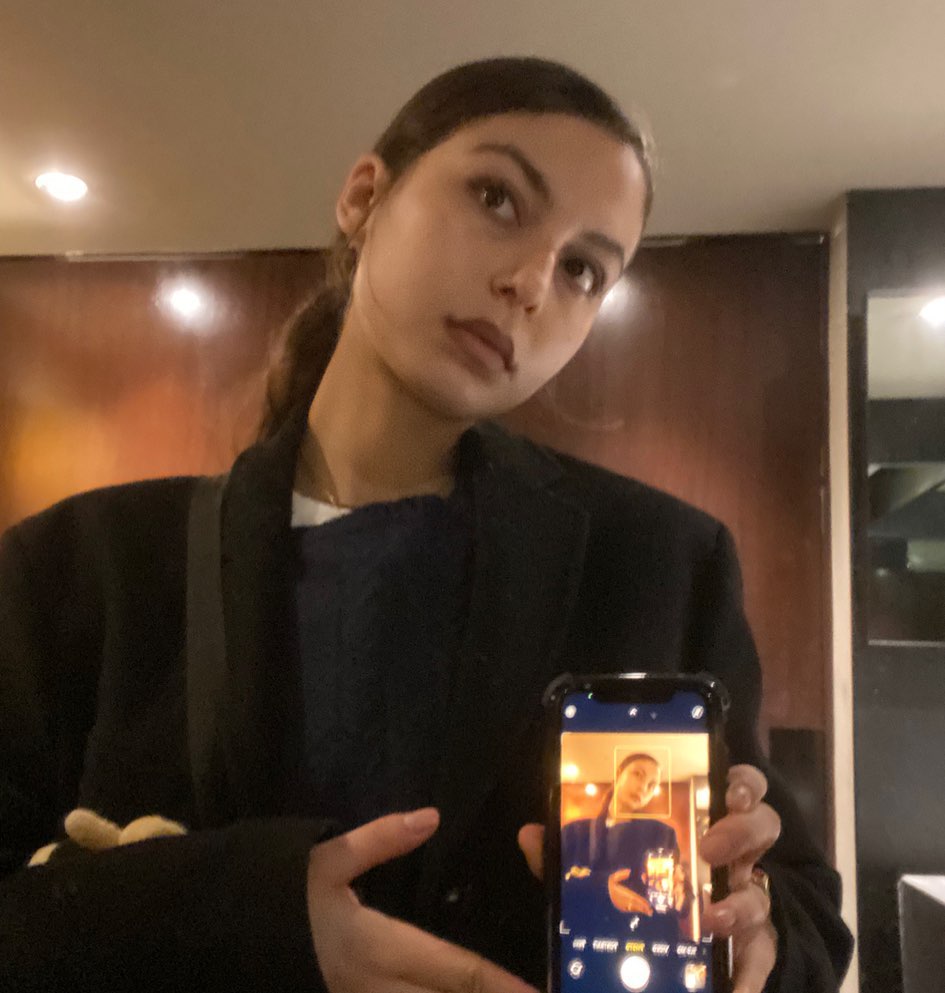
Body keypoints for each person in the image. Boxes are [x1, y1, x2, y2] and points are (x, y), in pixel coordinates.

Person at [0, 56, 853, 992]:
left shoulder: (657, 562)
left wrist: (752, 924)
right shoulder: (79, 570)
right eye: (496, 198)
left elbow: (806, 915)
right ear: (364, 197)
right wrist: (243, 917)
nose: (530, 282)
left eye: (582, 268)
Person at [561, 753, 692, 941]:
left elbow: (685, 900)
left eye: (652, 785)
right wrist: (602, 888)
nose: (643, 787)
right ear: (618, 774)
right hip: (587, 938)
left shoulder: (662, 834)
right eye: (637, 774)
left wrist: (681, 894)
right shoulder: (574, 832)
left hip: (649, 939)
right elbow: (557, 890)